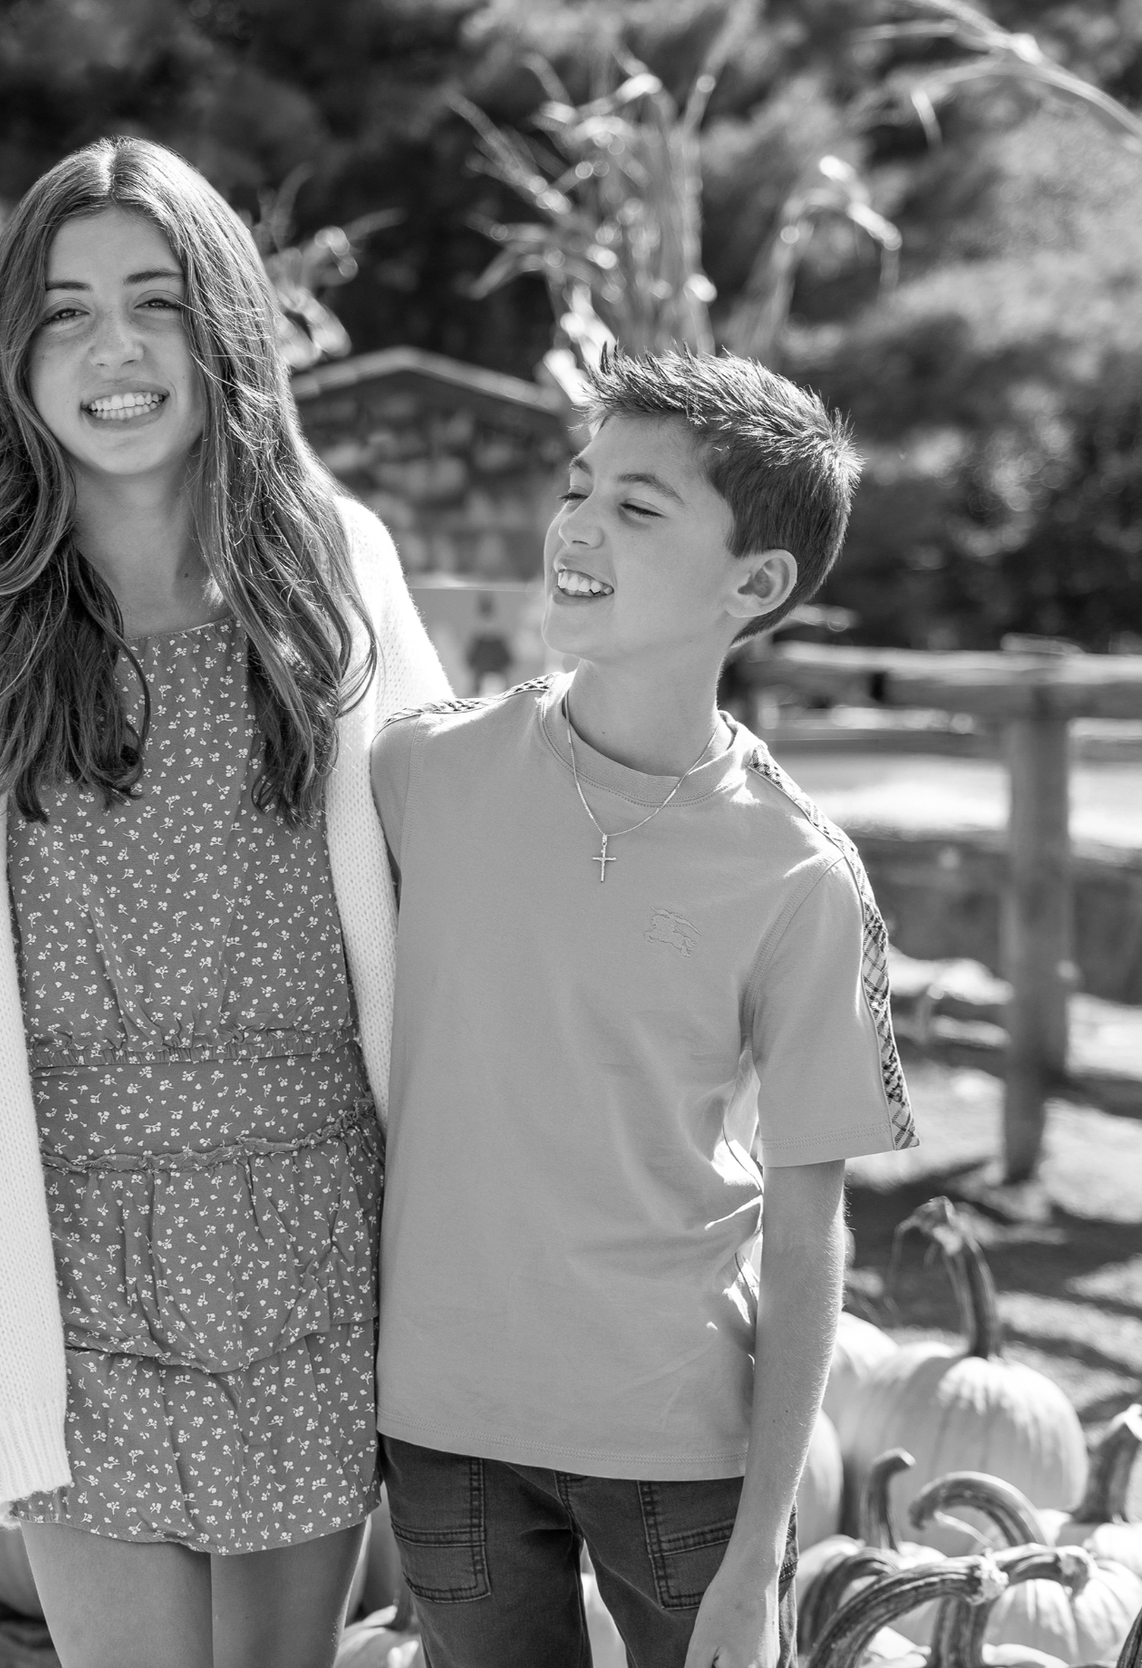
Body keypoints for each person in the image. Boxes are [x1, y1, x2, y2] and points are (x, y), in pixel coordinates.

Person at [0, 136, 449, 1668]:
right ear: (13, 353)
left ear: (224, 334)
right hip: (53, 1244)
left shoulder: (336, 569)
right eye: (65, 312)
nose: (114, 348)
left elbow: (451, 898)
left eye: (154, 301)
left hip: (321, 1224)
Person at [369, 351, 916, 1668]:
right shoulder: (418, 775)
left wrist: (762, 1558)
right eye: (579, 487)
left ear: (756, 585)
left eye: (639, 507)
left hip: (680, 1452)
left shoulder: (799, 873)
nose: (579, 524)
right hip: (447, 1434)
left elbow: (807, 1235)